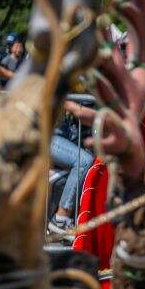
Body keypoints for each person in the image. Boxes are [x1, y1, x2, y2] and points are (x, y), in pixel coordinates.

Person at [46, 102, 95, 239]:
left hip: (60, 138)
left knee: (91, 160)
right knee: (83, 160)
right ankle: (61, 219)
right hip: (43, 136)